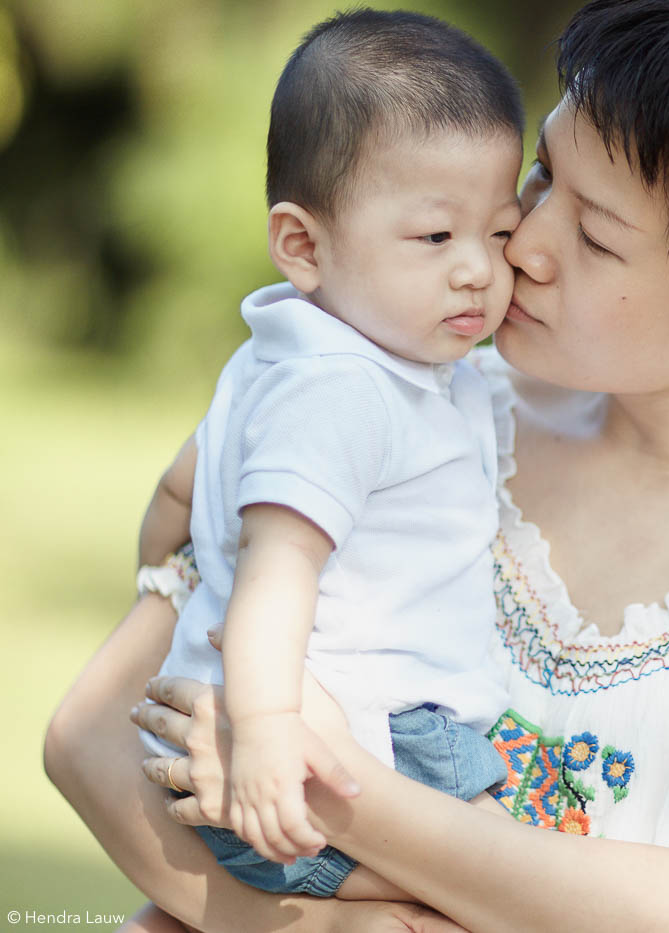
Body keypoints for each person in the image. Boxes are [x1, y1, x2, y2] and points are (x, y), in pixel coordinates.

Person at [45, 2, 669, 931]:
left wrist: (345, 793)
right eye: (542, 171)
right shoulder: (397, 388)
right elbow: (91, 737)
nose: (520, 245)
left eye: (598, 237)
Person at [132, 8, 525, 912]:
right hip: (344, 731)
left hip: (284, 722)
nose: (477, 269)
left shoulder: (284, 352)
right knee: (507, 889)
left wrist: (156, 572)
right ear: (304, 245)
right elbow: (279, 568)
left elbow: (177, 486)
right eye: (435, 238)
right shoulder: (346, 392)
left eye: (499, 233)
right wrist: (266, 732)